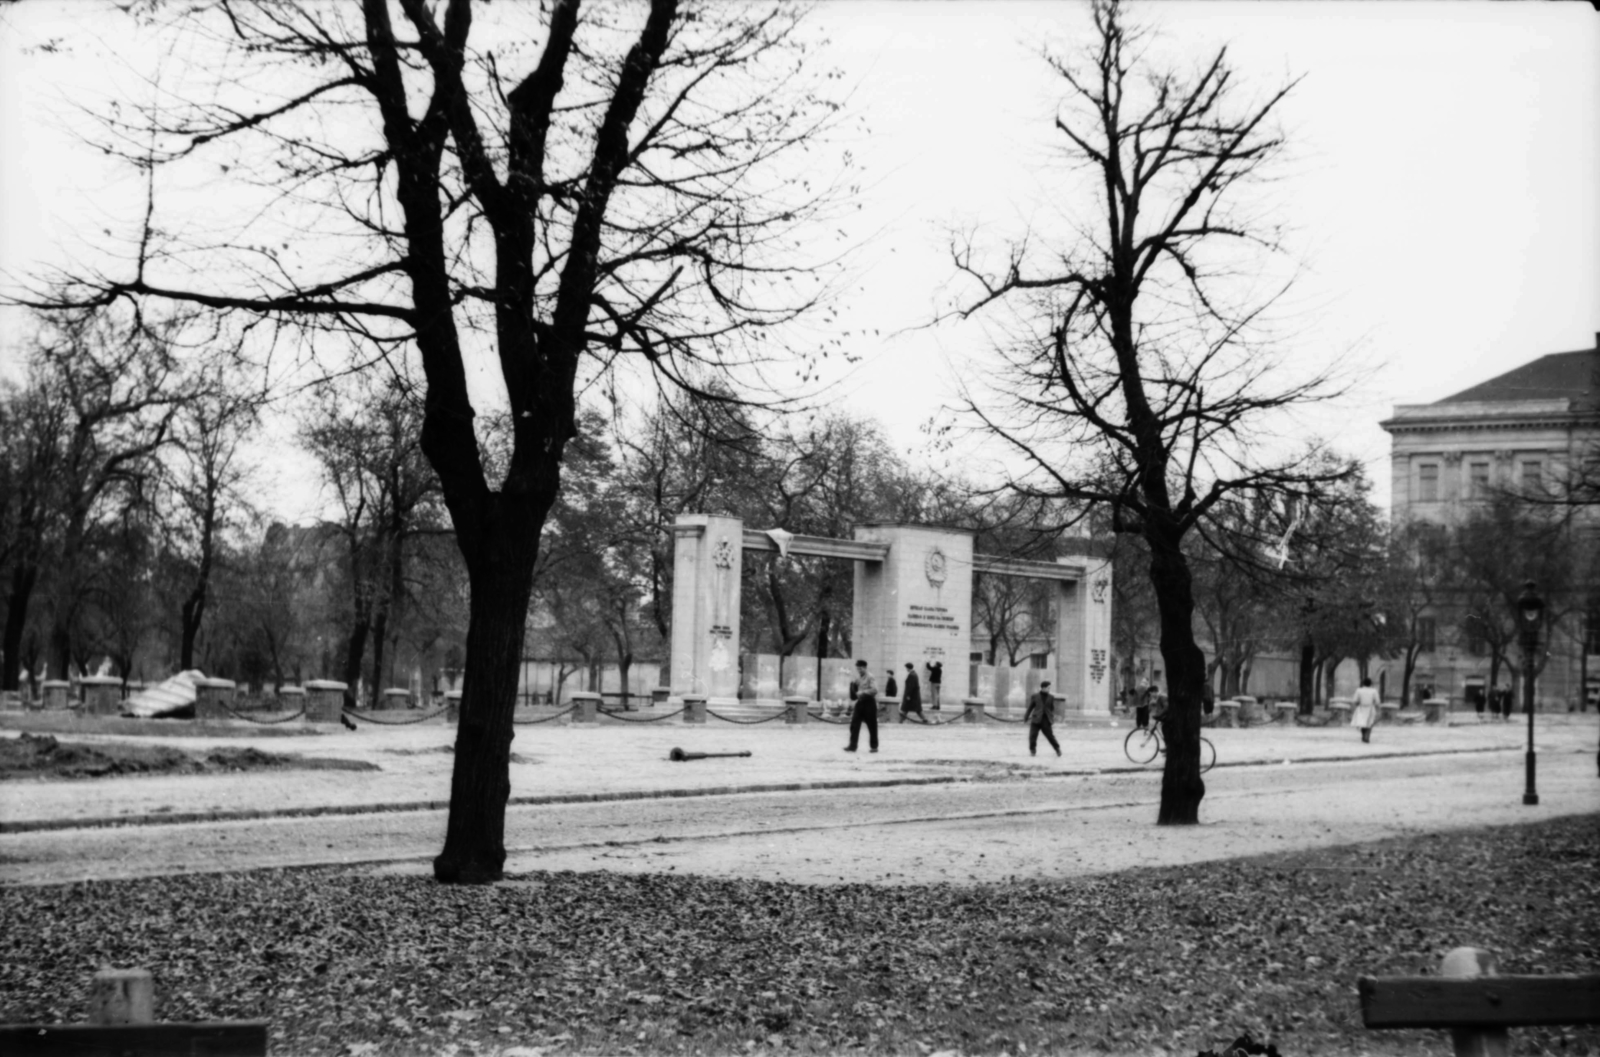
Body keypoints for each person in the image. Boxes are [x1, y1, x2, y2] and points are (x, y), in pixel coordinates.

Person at [844, 659, 879, 753]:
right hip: (860, 703)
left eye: (860, 668)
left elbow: (874, 690)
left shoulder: (870, 677)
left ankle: (874, 746)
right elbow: (854, 693)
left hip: (869, 703)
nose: (859, 670)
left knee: (872, 725)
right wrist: (852, 685)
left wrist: (862, 693)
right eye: (857, 669)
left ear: (865, 668)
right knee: (854, 724)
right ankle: (852, 746)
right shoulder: (858, 678)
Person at [1025, 680, 1061, 757]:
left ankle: (1057, 749)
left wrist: (1051, 717)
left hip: (1046, 720)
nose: (1049, 689)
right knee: (1032, 736)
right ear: (1043, 688)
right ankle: (1033, 750)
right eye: (1048, 688)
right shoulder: (1035, 696)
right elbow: (1030, 707)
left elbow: (1051, 708)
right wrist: (1026, 717)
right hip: (1036, 719)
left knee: (1050, 736)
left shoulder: (1051, 697)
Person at [1351, 676, 1380, 743]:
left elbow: (1355, 700)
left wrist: (1358, 704)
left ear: (1363, 683)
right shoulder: (1374, 691)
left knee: (1362, 722)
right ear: (1370, 683)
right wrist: (1376, 706)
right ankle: (1367, 736)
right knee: (1369, 723)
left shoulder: (1359, 690)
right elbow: (1377, 701)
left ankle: (1364, 735)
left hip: (1361, 708)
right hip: (1370, 708)